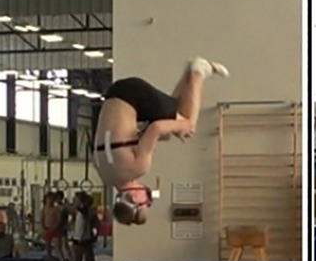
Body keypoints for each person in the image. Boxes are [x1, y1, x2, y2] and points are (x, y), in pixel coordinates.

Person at [93, 57, 229, 226]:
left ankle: (198, 72)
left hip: (133, 95)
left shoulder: (137, 169)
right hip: (116, 94)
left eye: (146, 203)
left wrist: (184, 126)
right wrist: (173, 128)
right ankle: (188, 74)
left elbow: (156, 128)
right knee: (170, 126)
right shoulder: (106, 175)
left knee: (188, 124)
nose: (148, 199)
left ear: (135, 198)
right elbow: (119, 139)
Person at [70, 191, 98, 261]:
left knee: (85, 252)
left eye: (76, 200)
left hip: (84, 236)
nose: (74, 201)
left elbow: (86, 213)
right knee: (78, 252)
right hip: (78, 235)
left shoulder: (85, 210)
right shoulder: (78, 211)